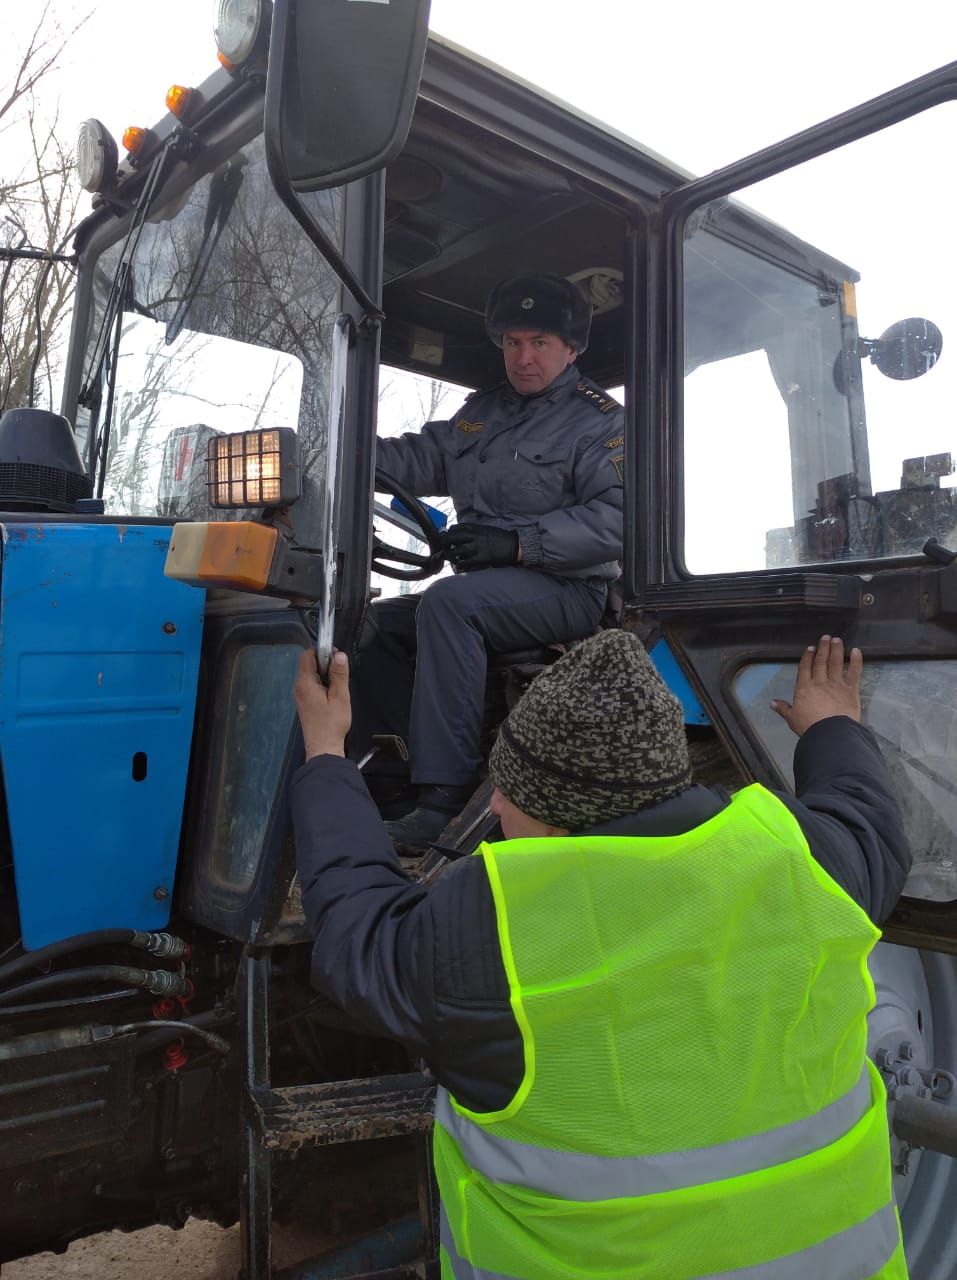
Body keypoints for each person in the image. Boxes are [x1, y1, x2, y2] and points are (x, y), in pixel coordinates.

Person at [292, 630, 911, 1279]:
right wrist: (831, 726)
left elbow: (354, 924)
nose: (494, 804)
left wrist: (327, 750)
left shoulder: (487, 934)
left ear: (562, 820)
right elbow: (865, 812)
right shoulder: (807, 861)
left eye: (511, 791)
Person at [353, 272, 625, 849]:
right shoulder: (481, 414)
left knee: (450, 605)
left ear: (572, 348)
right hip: (491, 589)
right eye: (512, 343)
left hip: (568, 591)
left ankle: (444, 799)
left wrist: (519, 544)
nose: (523, 358)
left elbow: (616, 522)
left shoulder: (601, 422)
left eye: (540, 343)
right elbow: (415, 458)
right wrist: (333, 447)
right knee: (370, 620)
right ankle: (395, 778)